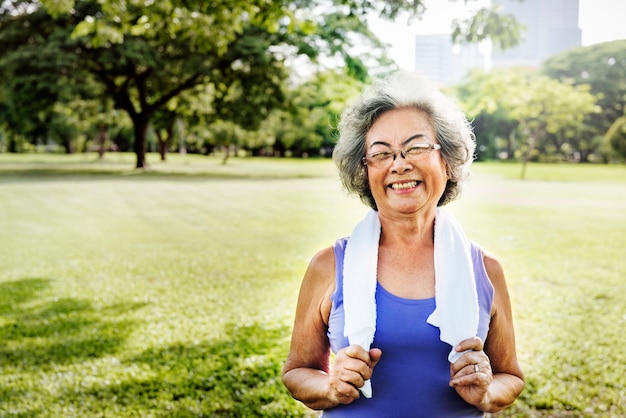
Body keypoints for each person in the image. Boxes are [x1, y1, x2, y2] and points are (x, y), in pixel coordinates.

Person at [282, 71, 524, 417]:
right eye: (381, 154)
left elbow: (510, 376)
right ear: (364, 170)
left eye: (417, 147)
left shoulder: (484, 269)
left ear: (447, 161)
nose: (399, 164)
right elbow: (297, 372)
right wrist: (331, 386)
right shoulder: (329, 265)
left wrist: (487, 392)